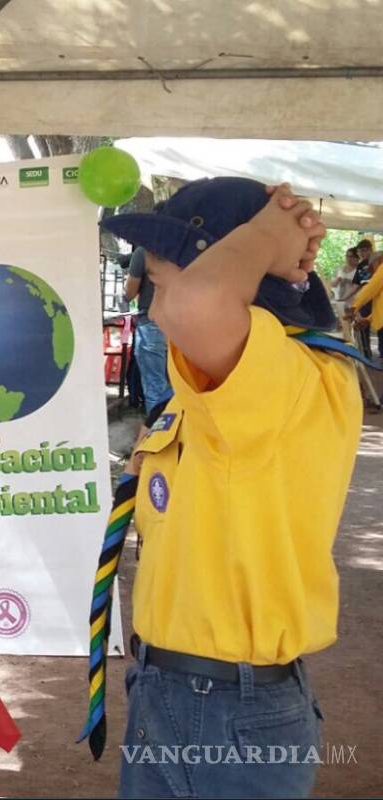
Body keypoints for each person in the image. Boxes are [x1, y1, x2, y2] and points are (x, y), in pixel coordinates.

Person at [98, 179, 361, 797]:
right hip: (174, 690)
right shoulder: (220, 381)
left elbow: (194, 307)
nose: (156, 303)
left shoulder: (289, 372)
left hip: (228, 709)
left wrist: (272, 232)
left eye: (163, 281)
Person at [124, 246, 172, 414]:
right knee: (179, 384)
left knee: (155, 385)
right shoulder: (186, 247)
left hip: (153, 323)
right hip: (183, 324)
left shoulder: (145, 252)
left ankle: (158, 433)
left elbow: (129, 292)